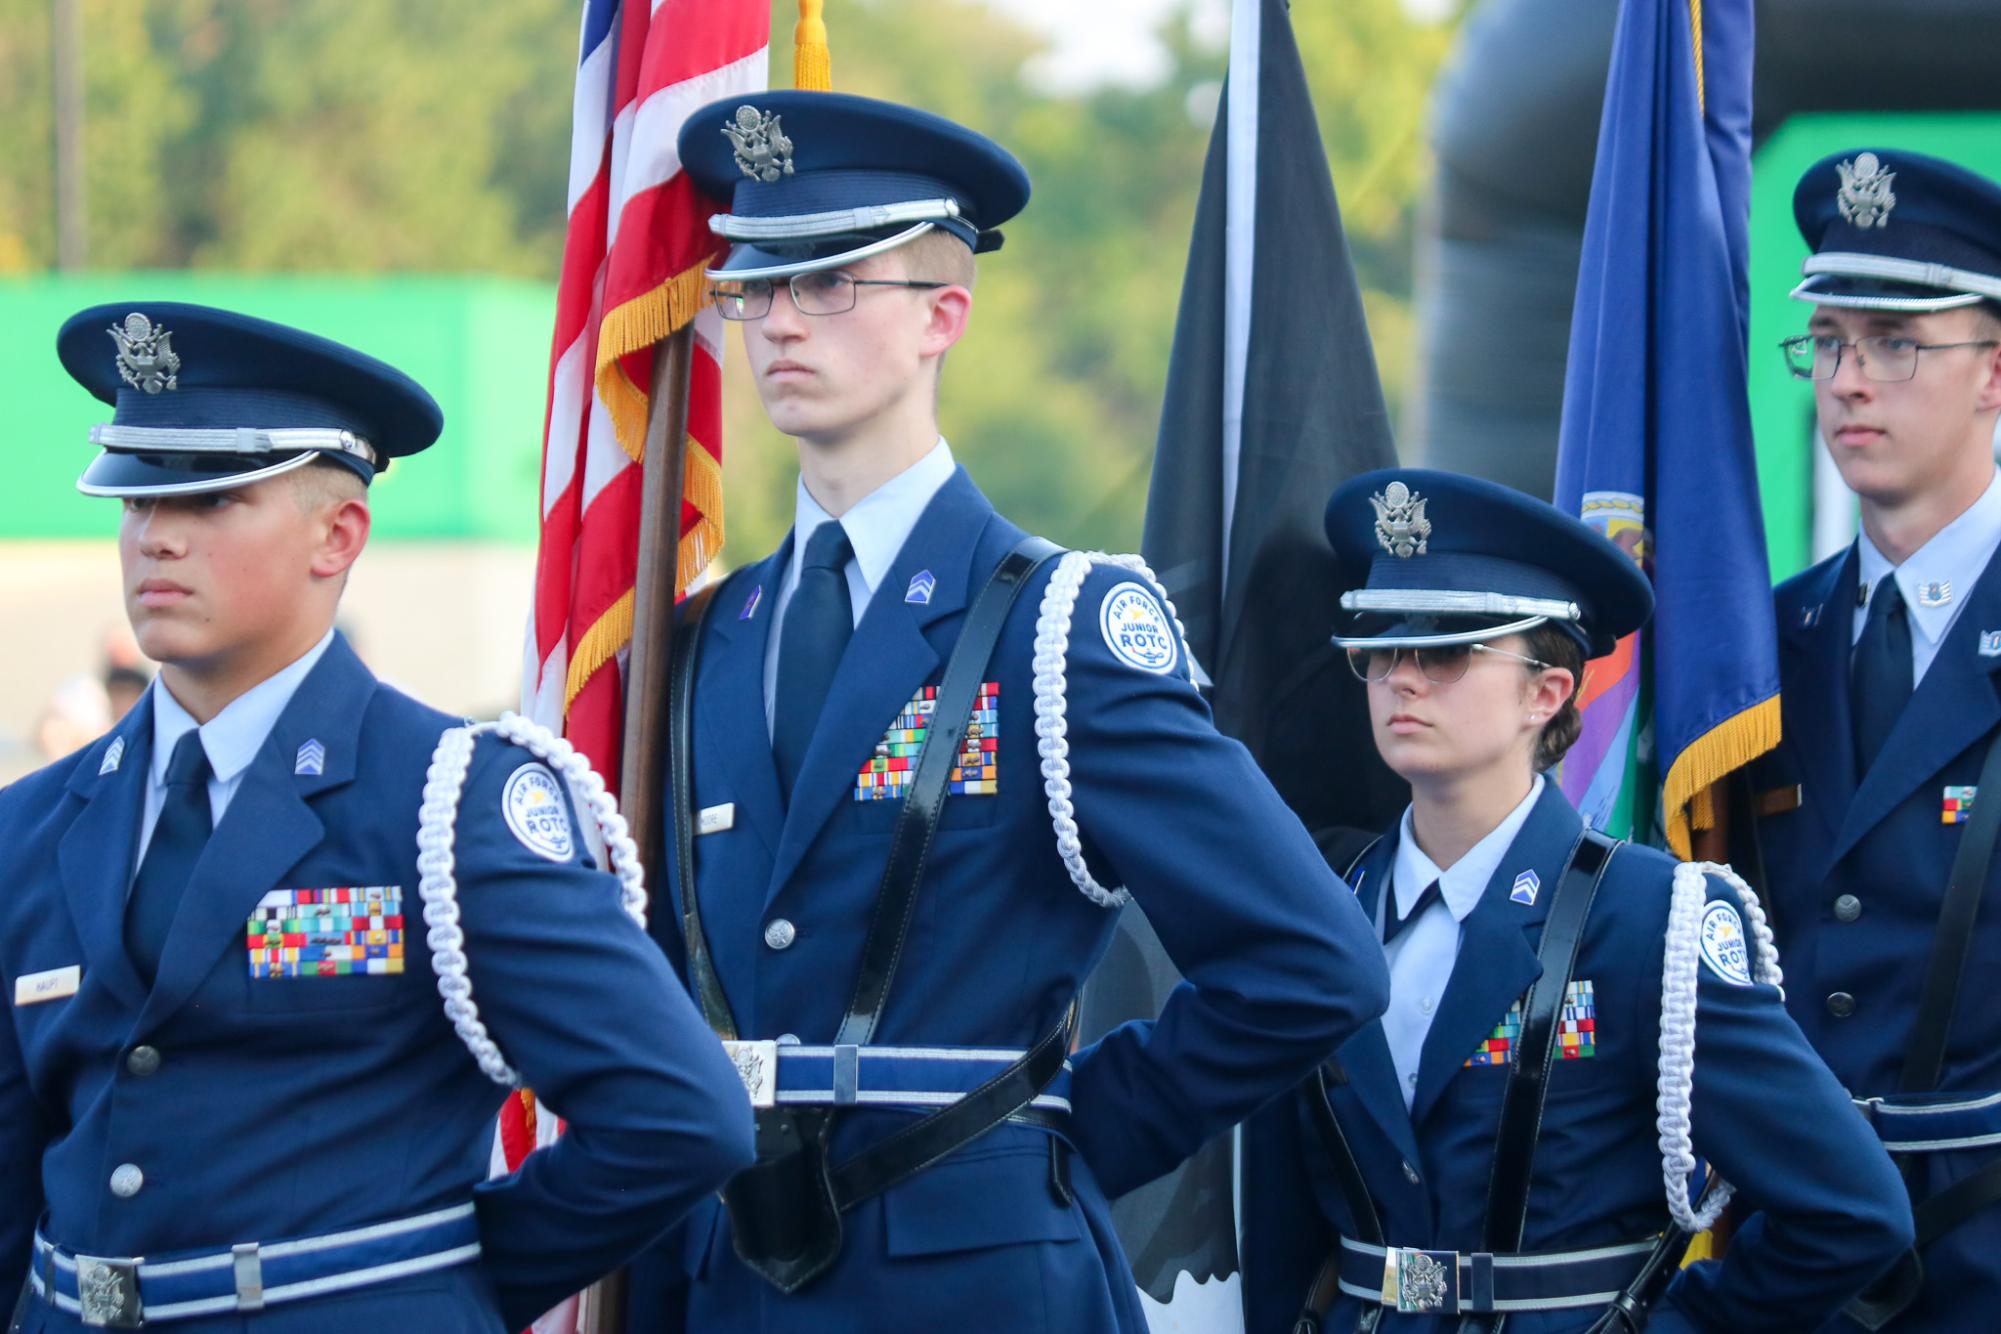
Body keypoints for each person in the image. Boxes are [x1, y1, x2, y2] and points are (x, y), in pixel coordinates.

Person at [621, 91, 1391, 1333]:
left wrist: (1059, 1133)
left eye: (829, 283)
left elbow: (1311, 958)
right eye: (755, 287)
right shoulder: (708, 637)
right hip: (733, 1280)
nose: (777, 323)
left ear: (944, 312)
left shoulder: (1056, 626)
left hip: (978, 1276)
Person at [0, 303, 754, 1332]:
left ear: (338, 534)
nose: (156, 534)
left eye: (214, 495)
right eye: (135, 496)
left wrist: (426, 1288)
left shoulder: (448, 801)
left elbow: (678, 1114)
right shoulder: (36, 820)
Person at [1242, 468, 1912, 1332]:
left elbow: (1850, 1212)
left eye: (1447, 648)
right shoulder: (1328, 916)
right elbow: (1280, 1232)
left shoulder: (1646, 919)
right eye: (1379, 647)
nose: (1401, 680)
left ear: (1546, 692)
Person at [1745, 148, 2001, 1331]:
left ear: (1995, 371)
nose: (1850, 380)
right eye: (1832, 342)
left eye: (1898, 343)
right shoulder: (1758, 651)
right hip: (1790, 1251)